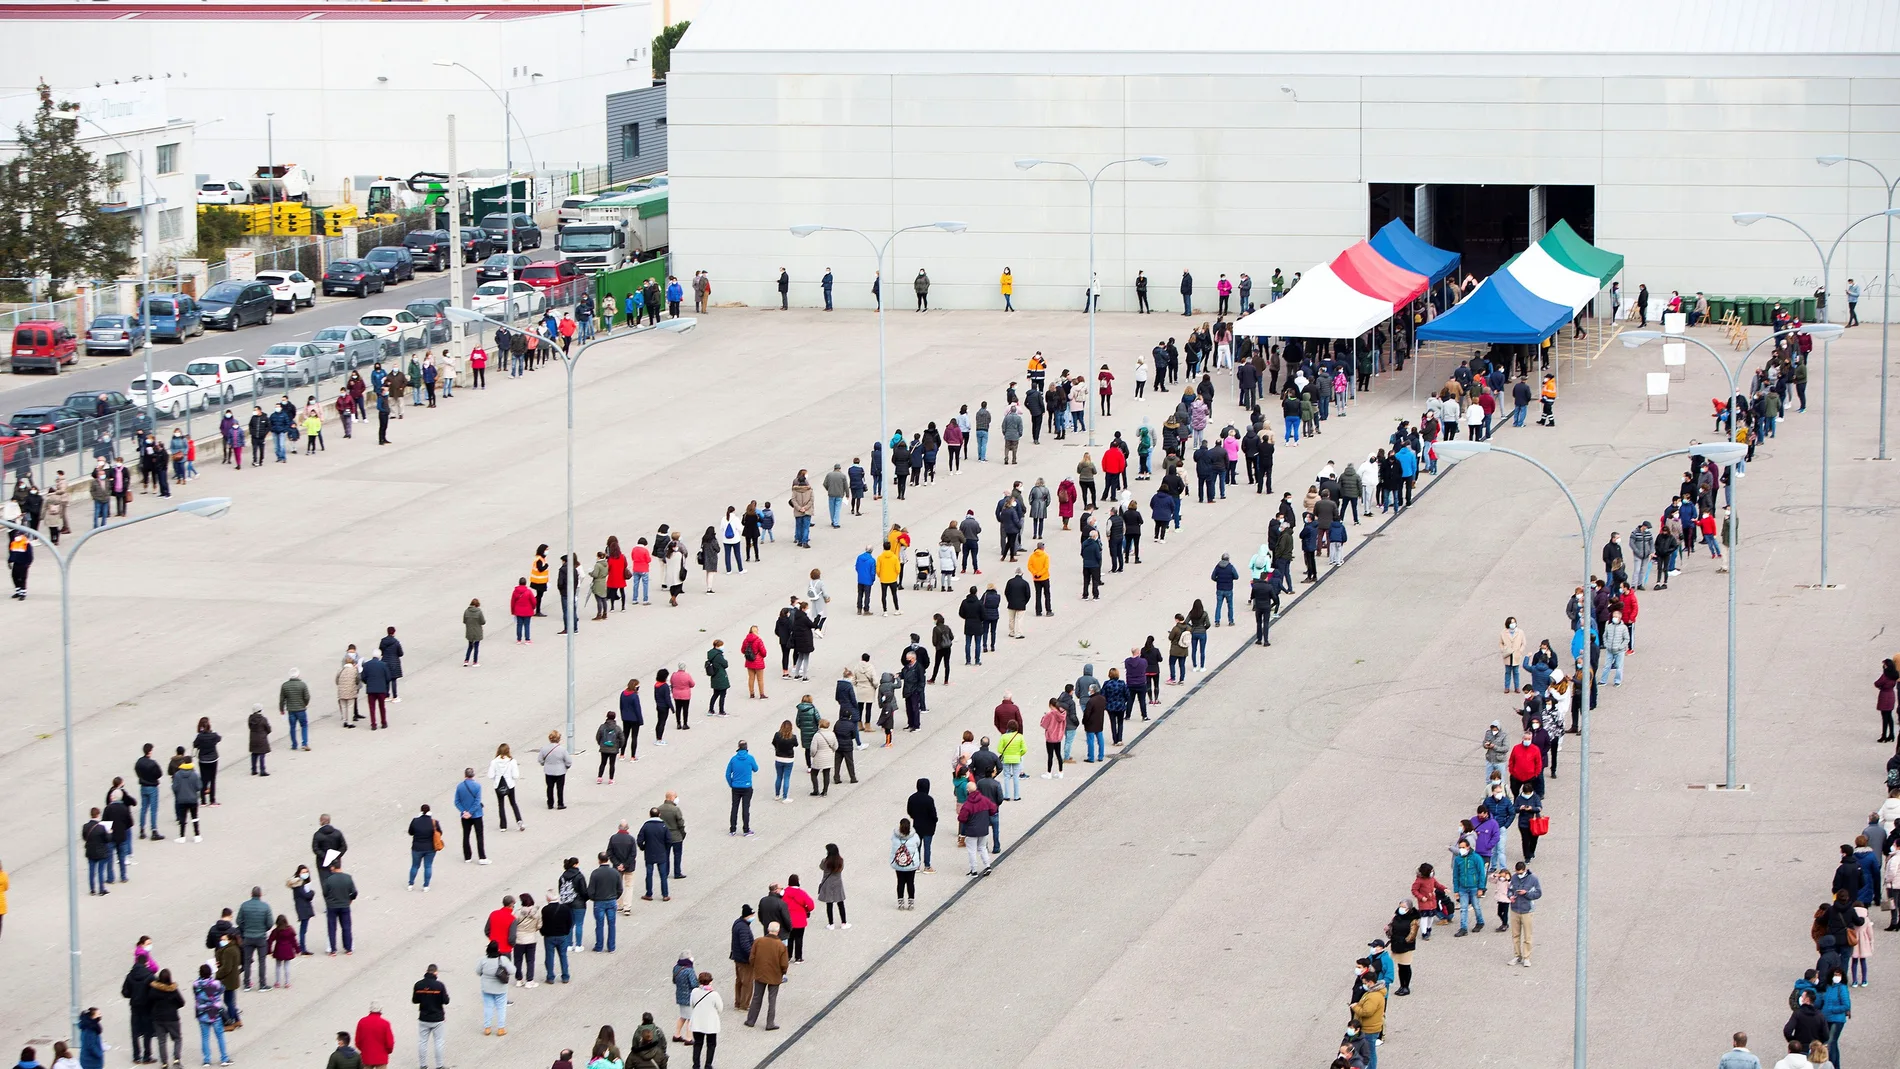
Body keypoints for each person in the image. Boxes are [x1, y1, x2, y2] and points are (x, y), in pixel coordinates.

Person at [742, 922, 788, 1031]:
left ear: (768, 930)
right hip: (775, 976)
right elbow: (784, 964)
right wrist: (782, 972)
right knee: (772, 999)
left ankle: (751, 1020)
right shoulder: (781, 946)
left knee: (757, 997)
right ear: (778, 931)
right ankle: (770, 1023)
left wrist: (756, 967)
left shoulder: (758, 941)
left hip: (760, 973)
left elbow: (752, 958)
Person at [412, 965, 449, 1069]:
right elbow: (446, 1001)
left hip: (423, 1017)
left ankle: (423, 1065)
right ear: (436, 973)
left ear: (426, 971)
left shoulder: (418, 985)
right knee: (438, 1042)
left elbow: (415, 1000)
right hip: (437, 1018)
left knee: (422, 1042)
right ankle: (439, 1065)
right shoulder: (439, 985)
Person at [1508, 860, 1541, 966]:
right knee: (1515, 935)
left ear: (1525, 870)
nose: (1519, 875)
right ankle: (1517, 956)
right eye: (1517, 873)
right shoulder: (1514, 878)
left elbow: (1538, 893)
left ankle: (1527, 957)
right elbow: (1510, 890)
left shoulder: (1533, 879)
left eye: (1521, 873)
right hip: (1515, 909)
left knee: (1527, 935)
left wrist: (1526, 894)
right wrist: (1510, 896)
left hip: (1527, 910)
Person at [476, 942, 511, 1036]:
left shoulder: (483, 960)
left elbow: (478, 972)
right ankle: (501, 1028)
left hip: (486, 988)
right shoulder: (503, 960)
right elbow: (512, 970)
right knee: (501, 1008)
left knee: (488, 1007)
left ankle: (487, 1028)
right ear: (498, 949)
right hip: (500, 988)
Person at [726, 742, 758, 837]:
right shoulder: (750, 758)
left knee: (734, 807)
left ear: (738, 748)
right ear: (746, 748)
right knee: (746, 808)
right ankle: (746, 829)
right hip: (747, 786)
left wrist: (731, 783)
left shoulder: (733, 759)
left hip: (736, 787)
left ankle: (732, 829)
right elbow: (756, 769)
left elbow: (727, 774)